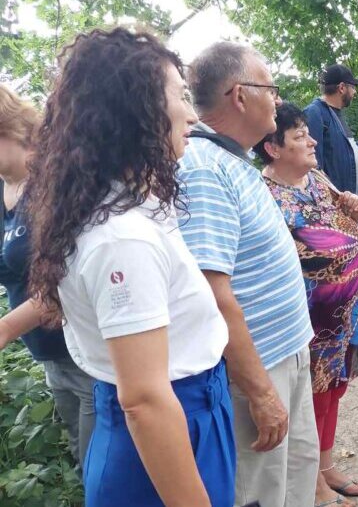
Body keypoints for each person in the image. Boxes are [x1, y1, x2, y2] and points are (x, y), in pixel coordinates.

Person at [24, 27, 234, 506]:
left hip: (184, 415)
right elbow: (143, 399)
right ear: (135, 112)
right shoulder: (122, 239)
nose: (189, 112)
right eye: (177, 96)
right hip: (165, 431)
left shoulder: (127, 207)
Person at [181, 41, 319, 507]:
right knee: (261, 491)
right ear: (240, 95)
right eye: (270, 87)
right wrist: (259, 391)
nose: (278, 99)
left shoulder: (233, 159)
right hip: (258, 371)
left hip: (288, 353)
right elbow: (212, 293)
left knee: (297, 477)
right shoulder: (202, 168)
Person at [256, 103, 358, 507]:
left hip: (346, 311)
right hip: (310, 320)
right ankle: (312, 484)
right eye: (299, 136)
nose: (312, 141)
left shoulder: (315, 178)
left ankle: (325, 467)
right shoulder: (265, 195)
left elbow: (339, 227)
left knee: (336, 389)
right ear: (274, 149)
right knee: (313, 398)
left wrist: (353, 212)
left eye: (308, 132)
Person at [0, 85, 97, 467]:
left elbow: (66, 279)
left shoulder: (52, 182)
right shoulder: (4, 188)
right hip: (50, 358)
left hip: (87, 357)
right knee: (82, 460)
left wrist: (5, 330)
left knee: (101, 472)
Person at [303, 64, 358, 196]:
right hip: (335, 203)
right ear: (342, 88)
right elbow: (314, 166)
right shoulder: (315, 113)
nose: (355, 92)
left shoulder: (337, 114)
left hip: (351, 201)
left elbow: (346, 148)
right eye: (353, 87)